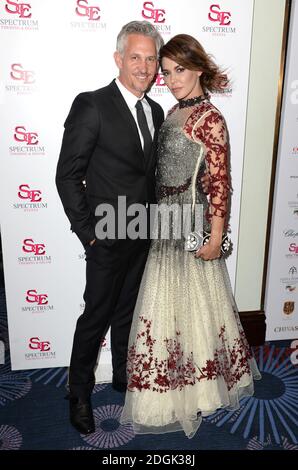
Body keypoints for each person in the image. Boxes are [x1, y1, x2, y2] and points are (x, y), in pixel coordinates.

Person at [120, 34, 261, 438]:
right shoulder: (172, 113)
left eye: (179, 69)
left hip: (191, 227)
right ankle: (170, 390)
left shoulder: (210, 119)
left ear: (198, 68)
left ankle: (197, 392)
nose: (171, 79)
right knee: (168, 309)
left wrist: (215, 238)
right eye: (166, 72)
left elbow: (220, 184)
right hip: (166, 225)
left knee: (192, 306)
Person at [56, 21, 165, 435]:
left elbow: (146, 176)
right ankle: (78, 392)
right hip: (105, 235)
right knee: (96, 316)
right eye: (135, 57)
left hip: (142, 234)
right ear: (119, 59)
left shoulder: (154, 111)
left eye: (151, 58)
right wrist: (89, 232)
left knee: (128, 312)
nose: (144, 66)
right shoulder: (93, 104)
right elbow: (68, 175)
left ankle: (122, 374)